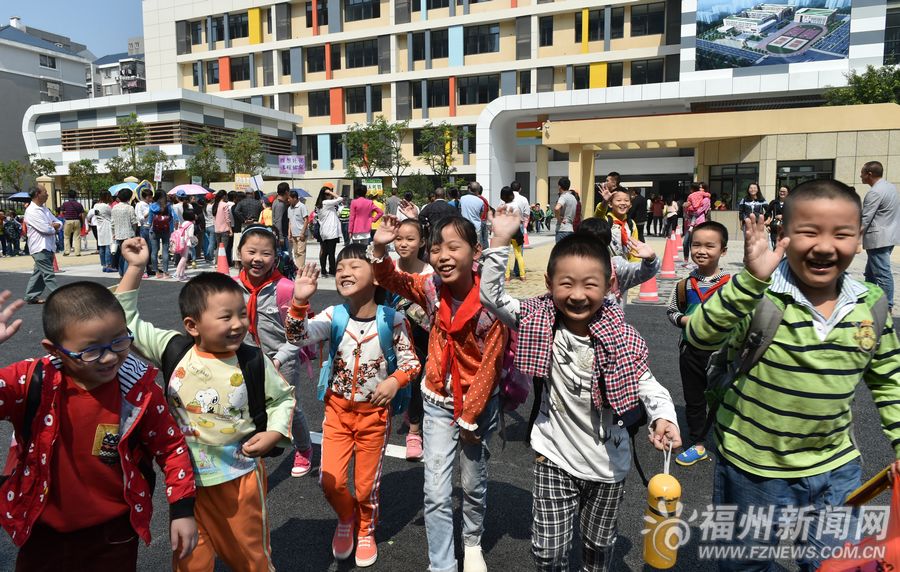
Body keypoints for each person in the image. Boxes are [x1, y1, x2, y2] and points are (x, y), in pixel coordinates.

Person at [687, 180, 900, 572]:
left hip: (836, 466)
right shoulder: (759, 294)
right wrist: (751, 281)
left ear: (861, 239)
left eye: (842, 234)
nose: (824, 245)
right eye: (809, 232)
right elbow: (699, 335)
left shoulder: (871, 303)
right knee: (745, 564)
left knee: (834, 563)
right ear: (783, 235)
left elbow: (890, 381)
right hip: (753, 467)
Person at [481, 206, 681, 572]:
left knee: (597, 546)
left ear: (608, 286)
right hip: (553, 454)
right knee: (547, 552)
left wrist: (663, 415)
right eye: (566, 283)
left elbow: (645, 381)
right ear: (548, 282)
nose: (577, 294)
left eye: (590, 284)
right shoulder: (538, 321)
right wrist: (499, 241)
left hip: (609, 464)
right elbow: (492, 296)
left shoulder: (621, 336)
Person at [115, 241, 295, 572]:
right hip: (185, 483)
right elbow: (123, 320)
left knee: (250, 557)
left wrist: (273, 433)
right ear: (192, 325)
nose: (238, 324)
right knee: (190, 561)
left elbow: (283, 398)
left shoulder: (252, 359)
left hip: (238, 478)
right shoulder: (173, 349)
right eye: (226, 317)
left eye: (242, 314)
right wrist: (136, 267)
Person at [0, 283, 198, 570]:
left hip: (114, 531)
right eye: (91, 351)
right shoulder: (32, 380)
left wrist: (182, 510)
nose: (109, 358)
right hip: (42, 527)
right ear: (55, 349)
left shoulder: (138, 390)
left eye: (119, 342)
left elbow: (170, 447)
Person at [371, 215, 509, 572]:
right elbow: (390, 278)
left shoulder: (493, 303)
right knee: (435, 491)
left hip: (477, 409)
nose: (443, 255)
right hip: (435, 401)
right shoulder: (432, 288)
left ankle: (473, 541)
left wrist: (469, 417)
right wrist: (379, 246)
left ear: (476, 251)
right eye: (435, 249)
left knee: (473, 483)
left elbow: (490, 366)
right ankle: (442, 565)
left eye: (453, 247)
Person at [285, 247, 420, 568]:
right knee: (329, 481)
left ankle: (365, 530)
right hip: (337, 413)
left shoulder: (394, 319)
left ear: (375, 275)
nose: (344, 272)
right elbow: (296, 336)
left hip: (374, 417)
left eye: (353, 266)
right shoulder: (334, 315)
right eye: (341, 267)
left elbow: (412, 361)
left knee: (365, 487)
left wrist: (394, 381)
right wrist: (300, 301)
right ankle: (346, 518)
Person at [236, 224, 315, 479]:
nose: (257, 259)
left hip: (281, 359)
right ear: (239, 252)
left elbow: (298, 335)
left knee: (290, 408)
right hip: (247, 360)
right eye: (251, 252)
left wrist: (279, 359)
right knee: (246, 404)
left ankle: (303, 448)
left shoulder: (286, 289)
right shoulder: (233, 287)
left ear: (276, 256)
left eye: (266, 253)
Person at [666, 220, 730, 467]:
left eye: (710, 246)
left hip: (723, 354)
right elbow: (672, 311)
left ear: (723, 250)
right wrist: (684, 320)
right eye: (696, 245)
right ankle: (698, 442)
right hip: (690, 352)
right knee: (694, 399)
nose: (701, 250)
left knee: (725, 398)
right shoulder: (684, 284)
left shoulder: (730, 285)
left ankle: (728, 440)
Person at [384, 218, 433, 461]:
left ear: (422, 241)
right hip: (387, 333)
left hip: (419, 336)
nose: (403, 244)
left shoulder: (430, 273)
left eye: (410, 239)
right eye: (399, 238)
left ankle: (414, 431)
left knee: (414, 380)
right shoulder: (386, 267)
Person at [860, 160, 900, 312]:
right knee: (870, 273)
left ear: (869, 174)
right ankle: (868, 299)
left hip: (878, 238)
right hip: (889, 235)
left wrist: (852, 236)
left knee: (882, 273)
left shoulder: (875, 192)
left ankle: (887, 306)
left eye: (862, 172)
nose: (860, 175)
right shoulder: (889, 187)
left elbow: (865, 218)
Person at [23, 186, 60, 304]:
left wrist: (54, 225)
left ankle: (31, 296)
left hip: (48, 245)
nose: (48, 194)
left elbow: (59, 222)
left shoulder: (44, 209)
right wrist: (53, 226)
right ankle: (61, 296)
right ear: (38, 194)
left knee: (39, 273)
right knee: (48, 273)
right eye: (45, 192)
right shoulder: (32, 211)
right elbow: (45, 229)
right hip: (40, 247)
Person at [595, 186, 638, 261]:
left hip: (626, 267)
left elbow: (634, 249)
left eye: (626, 200)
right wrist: (605, 202)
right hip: (608, 267)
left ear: (630, 205)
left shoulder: (631, 224)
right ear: (610, 204)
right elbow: (598, 216)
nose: (623, 203)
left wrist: (634, 267)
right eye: (618, 200)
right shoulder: (606, 220)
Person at [500, 186, 527, 281]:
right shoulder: (516, 205)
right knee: (518, 254)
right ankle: (522, 276)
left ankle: (507, 277)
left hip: (505, 232)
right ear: (512, 195)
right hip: (516, 231)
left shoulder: (502, 206)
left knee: (506, 255)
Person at [316, 185, 343, 277]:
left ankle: (323, 270)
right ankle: (332, 270)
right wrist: (331, 192)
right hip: (331, 232)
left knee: (325, 252)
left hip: (324, 232)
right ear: (326, 194)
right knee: (331, 252)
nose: (331, 195)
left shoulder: (319, 204)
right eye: (329, 193)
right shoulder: (326, 202)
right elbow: (340, 199)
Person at [110, 189, 138, 277]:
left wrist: (113, 233)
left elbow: (112, 223)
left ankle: (121, 273)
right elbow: (134, 222)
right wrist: (135, 231)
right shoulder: (129, 208)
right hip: (128, 234)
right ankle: (127, 274)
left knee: (122, 255)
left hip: (118, 234)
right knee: (128, 255)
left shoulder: (115, 207)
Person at [149, 190, 174, 279]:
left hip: (154, 230)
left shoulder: (152, 206)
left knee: (154, 252)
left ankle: (156, 272)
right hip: (165, 230)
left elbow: (149, 220)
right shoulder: (168, 206)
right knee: (165, 251)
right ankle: (165, 272)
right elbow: (171, 218)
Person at [683, 182, 711, 261]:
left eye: (702, 187)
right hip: (690, 223)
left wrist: (691, 208)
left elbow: (700, 211)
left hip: (699, 223)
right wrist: (687, 208)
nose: (700, 189)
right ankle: (686, 259)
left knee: (695, 243)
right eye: (699, 187)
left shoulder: (706, 199)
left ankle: (695, 259)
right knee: (686, 242)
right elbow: (686, 206)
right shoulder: (692, 196)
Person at [459, 182, 487, 247]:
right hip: (476, 227)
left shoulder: (462, 198)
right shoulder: (480, 201)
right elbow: (481, 214)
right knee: (476, 246)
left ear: (469, 189)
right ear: (478, 190)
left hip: (465, 227)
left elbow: (460, 211)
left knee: (465, 245)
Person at [287, 190, 309, 269]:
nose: (288, 200)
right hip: (294, 234)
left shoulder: (302, 206)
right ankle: (297, 268)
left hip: (301, 234)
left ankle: (300, 269)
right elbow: (290, 221)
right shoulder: (289, 208)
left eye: (289, 198)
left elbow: (306, 220)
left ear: (295, 198)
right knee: (295, 252)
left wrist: (302, 233)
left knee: (301, 252)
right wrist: (289, 233)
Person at [172, 211, 197, 281]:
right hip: (186, 242)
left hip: (180, 242)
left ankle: (182, 275)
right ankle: (177, 273)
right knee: (184, 258)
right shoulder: (191, 224)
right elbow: (191, 235)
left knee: (182, 258)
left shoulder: (183, 223)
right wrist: (194, 240)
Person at [60, 190, 84, 256]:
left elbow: (61, 213)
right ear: (75, 196)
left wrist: (65, 214)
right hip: (77, 221)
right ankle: (77, 252)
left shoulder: (65, 204)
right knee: (77, 237)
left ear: (68, 196)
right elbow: (82, 215)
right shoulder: (79, 204)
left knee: (66, 236)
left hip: (68, 221)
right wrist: (83, 223)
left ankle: (67, 251)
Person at [212, 190, 233, 266]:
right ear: (224, 196)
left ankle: (217, 262)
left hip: (217, 229)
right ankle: (222, 264)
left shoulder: (215, 205)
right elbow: (227, 218)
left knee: (218, 247)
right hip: (224, 229)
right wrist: (230, 230)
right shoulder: (225, 205)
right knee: (224, 247)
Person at [554, 176, 577, 243]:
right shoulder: (573, 198)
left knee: (560, 252)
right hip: (570, 229)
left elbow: (557, 208)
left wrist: (559, 219)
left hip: (562, 229)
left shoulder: (563, 196)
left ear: (559, 186)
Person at [766, 185, 789, 250]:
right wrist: (767, 225)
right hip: (775, 228)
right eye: (780, 191)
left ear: (788, 193)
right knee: (776, 248)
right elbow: (767, 213)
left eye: (784, 191)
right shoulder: (774, 202)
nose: (782, 193)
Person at [272, 183, 291, 256]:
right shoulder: (280, 205)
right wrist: (281, 237)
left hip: (279, 234)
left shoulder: (277, 202)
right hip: (281, 235)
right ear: (286, 192)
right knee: (284, 256)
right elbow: (278, 221)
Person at [135, 189, 153, 253]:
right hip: (144, 227)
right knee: (144, 245)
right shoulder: (140, 204)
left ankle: (149, 261)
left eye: (151, 196)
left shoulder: (151, 204)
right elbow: (140, 218)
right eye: (149, 197)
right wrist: (150, 212)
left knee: (151, 245)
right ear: (145, 197)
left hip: (151, 227)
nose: (151, 198)